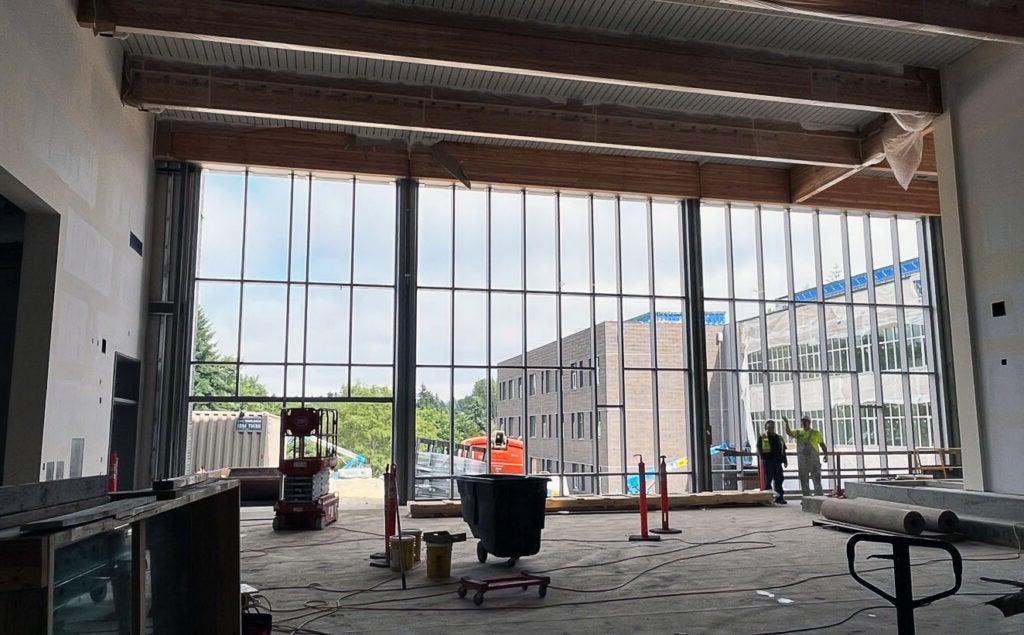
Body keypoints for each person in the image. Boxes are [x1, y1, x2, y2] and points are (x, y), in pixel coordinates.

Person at [784, 415, 828, 497]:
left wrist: (826, 454)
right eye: (802, 421)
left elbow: (822, 444)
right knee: (804, 480)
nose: (804, 423)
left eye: (805, 421)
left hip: (814, 461)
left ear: (809, 423)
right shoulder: (798, 433)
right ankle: (807, 498)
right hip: (803, 461)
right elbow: (789, 432)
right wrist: (786, 423)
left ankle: (819, 497)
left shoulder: (816, 433)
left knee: (817, 479)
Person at [757, 420, 787, 504]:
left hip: (777, 462)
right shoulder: (762, 437)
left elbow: (783, 450)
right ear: (766, 427)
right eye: (769, 427)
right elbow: (759, 449)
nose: (770, 428)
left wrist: (785, 461)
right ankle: (768, 498)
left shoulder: (779, 437)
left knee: (779, 480)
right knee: (768, 480)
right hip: (768, 461)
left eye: (772, 427)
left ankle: (780, 497)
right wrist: (763, 459)